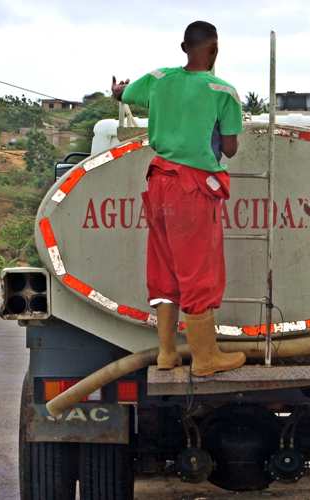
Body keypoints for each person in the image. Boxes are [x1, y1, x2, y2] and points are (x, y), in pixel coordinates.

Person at [112, 20, 246, 377]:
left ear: (183, 47)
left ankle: (167, 353)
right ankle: (205, 359)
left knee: (165, 268)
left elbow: (123, 95)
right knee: (198, 270)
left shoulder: (158, 79)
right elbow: (230, 149)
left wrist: (119, 90)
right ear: (214, 50)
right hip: (192, 187)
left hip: (158, 181)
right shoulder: (223, 92)